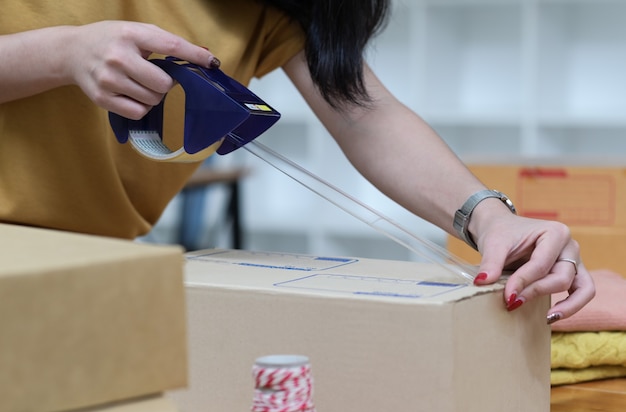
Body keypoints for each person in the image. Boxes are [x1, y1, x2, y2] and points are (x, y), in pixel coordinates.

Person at [0, 0, 594, 324]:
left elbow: (365, 113)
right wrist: (61, 52)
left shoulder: (273, 9)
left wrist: (489, 218)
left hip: (80, 277)